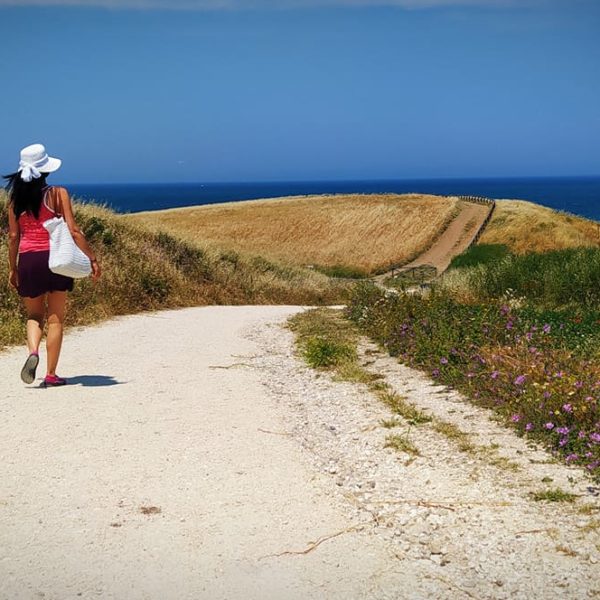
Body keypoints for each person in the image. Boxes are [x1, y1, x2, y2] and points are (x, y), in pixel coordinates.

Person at [5, 143, 101, 387]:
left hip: (28, 260)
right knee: (56, 318)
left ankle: (33, 352)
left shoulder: (13, 201)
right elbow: (74, 230)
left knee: (34, 315)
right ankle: (50, 374)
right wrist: (91, 258)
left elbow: (14, 237)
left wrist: (13, 268)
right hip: (56, 260)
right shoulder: (58, 193)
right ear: (46, 170)